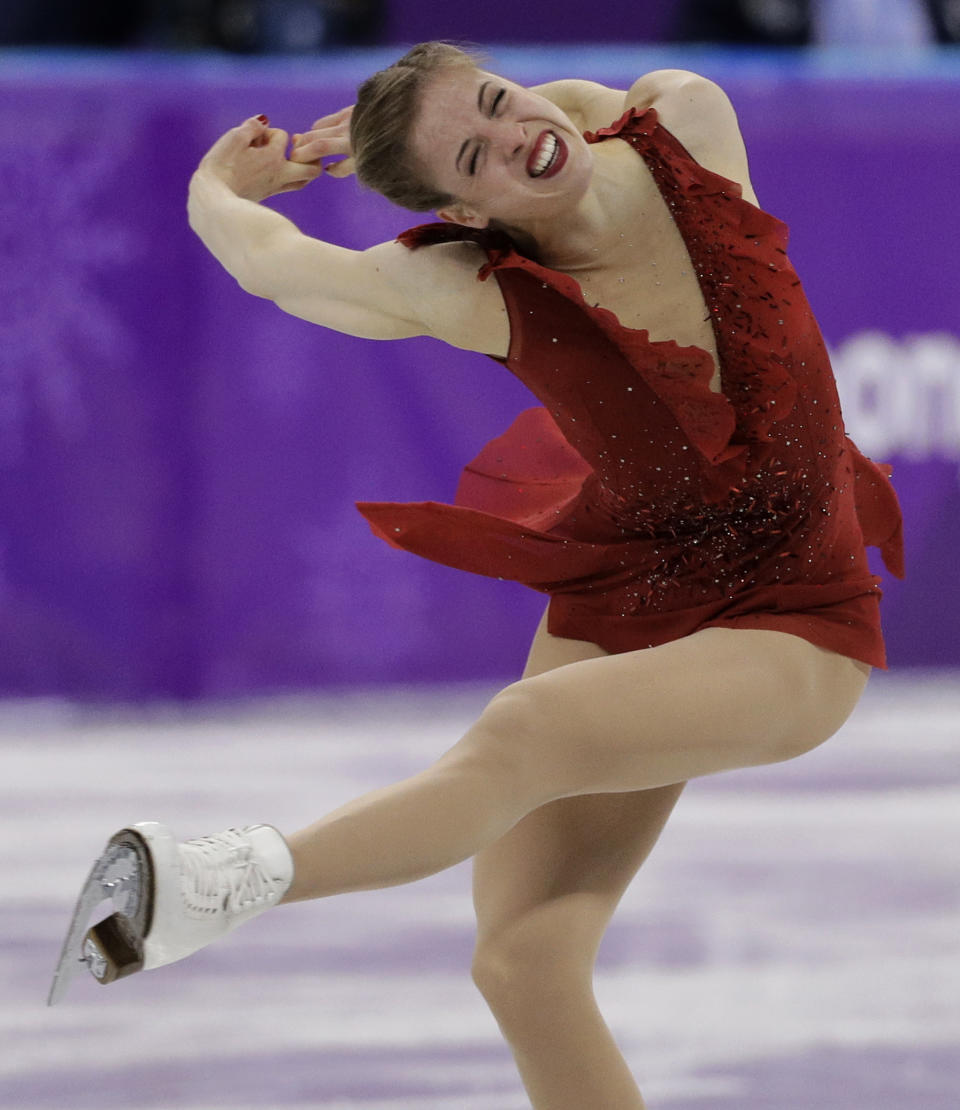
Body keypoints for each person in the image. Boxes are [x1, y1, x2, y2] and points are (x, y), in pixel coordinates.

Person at [50, 42, 904, 1110]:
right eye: (476, 155)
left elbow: (586, 105)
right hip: (634, 591)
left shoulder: (686, 120)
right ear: (462, 214)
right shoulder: (470, 290)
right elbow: (273, 263)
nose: (519, 138)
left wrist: (397, 133)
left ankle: (221, 882)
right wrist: (211, 188)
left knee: (524, 732)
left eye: (501, 103)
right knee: (523, 961)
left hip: (798, 619)